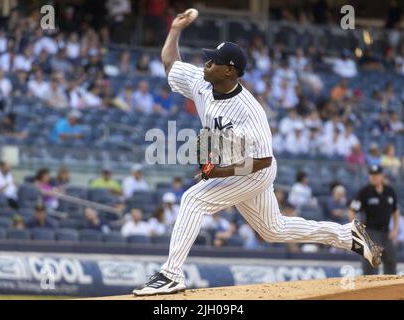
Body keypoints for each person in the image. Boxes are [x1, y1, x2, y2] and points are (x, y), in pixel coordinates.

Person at [133, 12, 382, 296]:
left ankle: (171, 274)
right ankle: (346, 235)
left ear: (229, 70)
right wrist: (175, 29)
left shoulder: (249, 111)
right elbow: (169, 64)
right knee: (272, 230)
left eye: (213, 60)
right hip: (233, 166)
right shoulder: (202, 81)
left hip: (254, 171)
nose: (206, 62)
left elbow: (263, 160)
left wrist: (219, 172)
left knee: (193, 199)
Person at [349, 165, 399, 275]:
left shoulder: (389, 191)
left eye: (376, 175)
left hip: (386, 232)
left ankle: (390, 288)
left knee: (391, 260)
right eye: (371, 175)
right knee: (371, 263)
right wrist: (357, 228)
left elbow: (396, 211)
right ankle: (369, 289)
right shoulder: (364, 192)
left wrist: (395, 229)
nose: (373, 177)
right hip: (370, 232)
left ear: (381, 176)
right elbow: (352, 210)